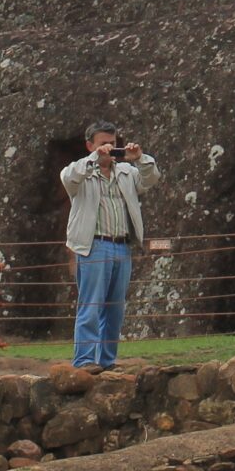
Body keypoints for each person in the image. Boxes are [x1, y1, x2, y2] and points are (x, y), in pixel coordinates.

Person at [60, 121, 159, 372]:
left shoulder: (126, 172)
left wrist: (139, 158)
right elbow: (68, 176)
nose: (108, 147)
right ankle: (84, 360)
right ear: (90, 145)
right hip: (94, 246)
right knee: (91, 305)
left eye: (112, 143)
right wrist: (95, 157)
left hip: (121, 245)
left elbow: (151, 178)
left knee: (115, 308)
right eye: (103, 142)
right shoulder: (81, 172)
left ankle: (106, 360)